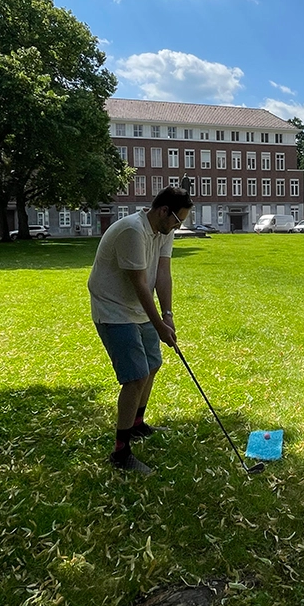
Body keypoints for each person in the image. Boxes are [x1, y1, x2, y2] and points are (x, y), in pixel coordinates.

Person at [88, 187, 193, 472]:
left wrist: (168, 315)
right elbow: (139, 284)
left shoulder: (163, 231)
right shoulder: (132, 231)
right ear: (163, 211)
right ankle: (120, 453)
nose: (178, 226)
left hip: (136, 308)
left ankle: (136, 423)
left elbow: (162, 274)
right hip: (113, 309)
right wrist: (158, 325)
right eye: (177, 220)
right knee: (135, 376)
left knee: (152, 364)